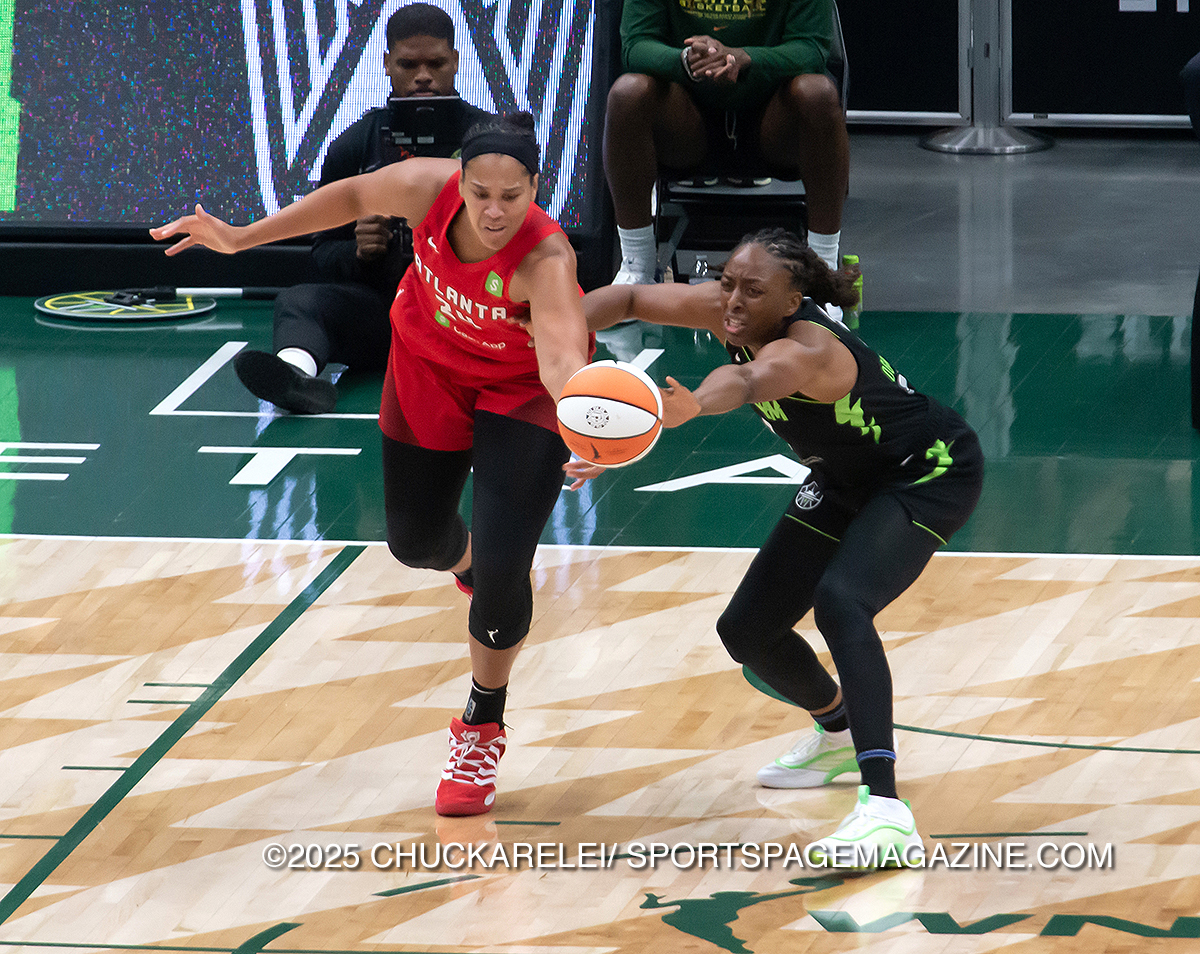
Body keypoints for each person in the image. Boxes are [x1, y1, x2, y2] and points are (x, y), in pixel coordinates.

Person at [152, 112, 594, 817]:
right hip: (427, 363)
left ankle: (481, 723)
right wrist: (238, 237)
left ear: (536, 189)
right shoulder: (423, 187)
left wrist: (586, 422)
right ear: (460, 180)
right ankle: (470, 564)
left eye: (512, 197)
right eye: (481, 193)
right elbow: (354, 197)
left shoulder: (547, 261)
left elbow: (562, 361)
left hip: (521, 392)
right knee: (415, 542)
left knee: (504, 571)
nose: (494, 211)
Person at [577, 228, 983, 868]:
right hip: (844, 477)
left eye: (752, 289)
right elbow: (625, 300)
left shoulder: (808, 351)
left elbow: (744, 381)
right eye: (726, 282)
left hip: (926, 472)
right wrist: (552, 326)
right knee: (748, 630)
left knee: (842, 603)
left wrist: (686, 407)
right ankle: (838, 732)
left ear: (792, 300)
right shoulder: (729, 309)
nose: (732, 300)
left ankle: (885, 812)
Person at [234, 3, 487, 414]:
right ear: (386, 64)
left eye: (436, 63)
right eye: (408, 64)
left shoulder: (490, 141)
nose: (423, 76)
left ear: (455, 61)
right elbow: (323, 251)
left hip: (467, 317)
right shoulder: (354, 144)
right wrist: (359, 252)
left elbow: (524, 239)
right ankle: (295, 377)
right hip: (387, 317)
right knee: (299, 301)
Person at [603, 0, 850, 305]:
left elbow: (812, 50)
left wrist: (747, 58)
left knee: (818, 92)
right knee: (628, 92)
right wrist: (685, 61)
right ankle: (637, 266)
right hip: (687, 120)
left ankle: (823, 271)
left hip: (772, 119)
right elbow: (636, 46)